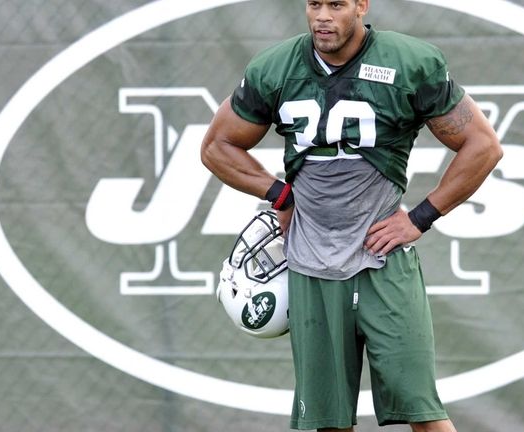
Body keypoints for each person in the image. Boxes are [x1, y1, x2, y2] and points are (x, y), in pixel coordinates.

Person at [201, 0, 502, 430]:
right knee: (327, 422)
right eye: (314, 4)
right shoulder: (276, 68)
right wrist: (281, 195)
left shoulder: (408, 62)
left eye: (336, 4)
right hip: (311, 262)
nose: (323, 16)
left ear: (361, 6)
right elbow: (216, 146)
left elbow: (483, 145)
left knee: (424, 413)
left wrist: (419, 217)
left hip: (383, 260)